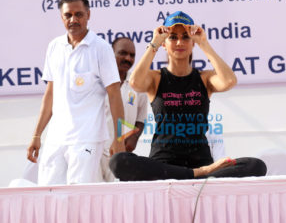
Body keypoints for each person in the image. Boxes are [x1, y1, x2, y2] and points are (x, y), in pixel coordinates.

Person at [109, 11, 267, 181]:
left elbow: (229, 81)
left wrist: (204, 43)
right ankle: (196, 175)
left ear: (193, 43)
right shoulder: (156, 78)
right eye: (172, 37)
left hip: (202, 162)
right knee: (119, 162)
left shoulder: (204, 79)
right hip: (164, 165)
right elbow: (135, 82)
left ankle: (200, 174)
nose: (179, 42)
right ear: (164, 43)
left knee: (256, 165)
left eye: (185, 37)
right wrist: (154, 42)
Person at [27, 0, 125, 185]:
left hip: (87, 139)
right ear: (61, 17)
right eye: (68, 15)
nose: (73, 19)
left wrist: (119, 138)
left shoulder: (101, 48)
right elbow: (50, 95)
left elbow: (115, 96)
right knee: (49, 193)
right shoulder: (54, 47)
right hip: (56, 138)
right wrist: (36, 135)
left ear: (88, 15)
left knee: (78, 196)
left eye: (79, 14)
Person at [101, 37, 148, 181]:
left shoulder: (137, 85)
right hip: (95, 150)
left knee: (117, 196)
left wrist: (134, 138)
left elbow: (140, 119)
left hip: (120, 153)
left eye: (132, 55)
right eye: (123, 53)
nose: (128, 58)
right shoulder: (98, 81)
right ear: (111, 53)